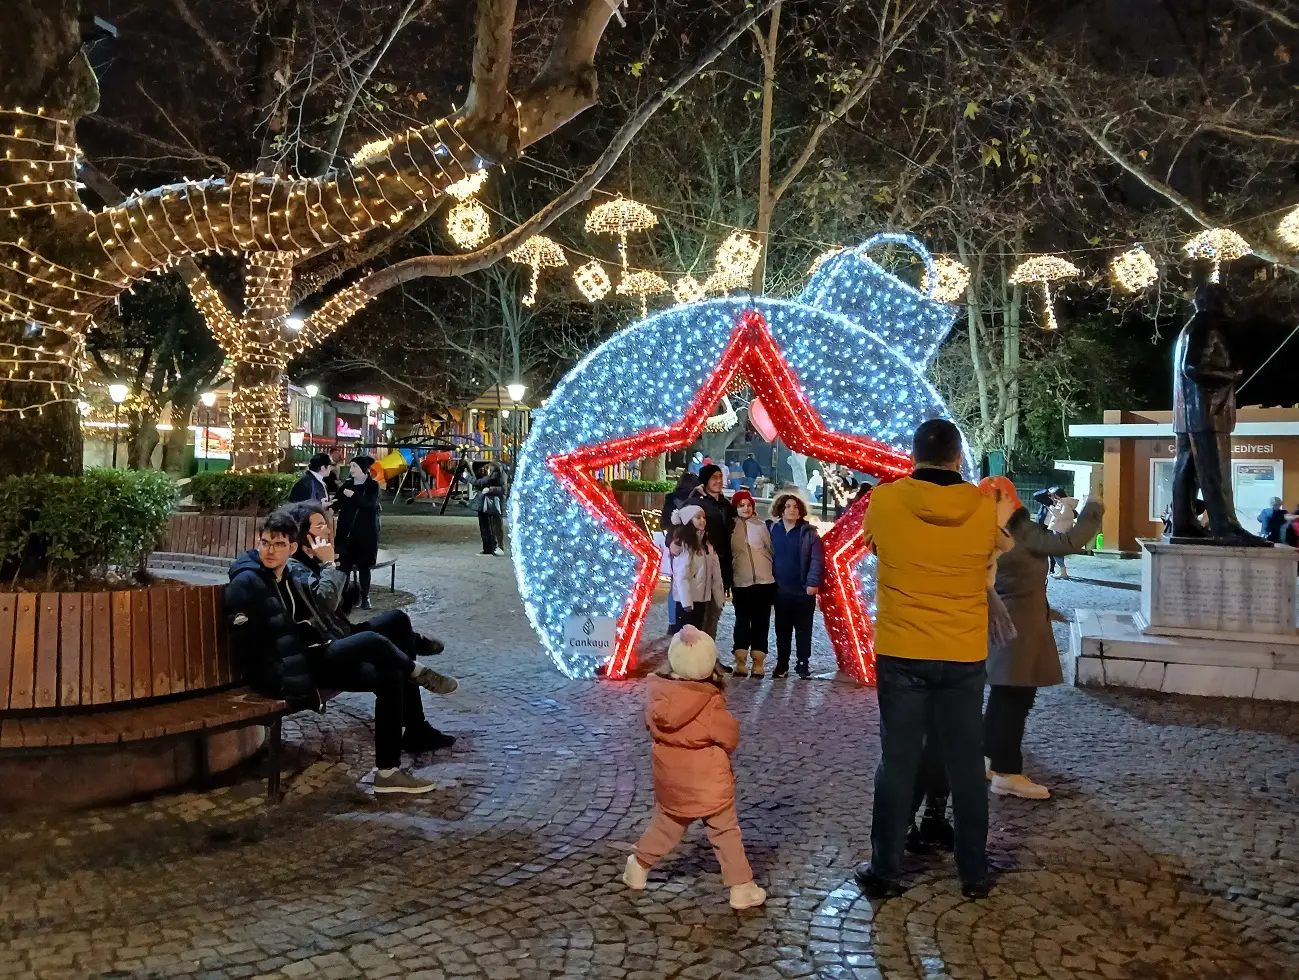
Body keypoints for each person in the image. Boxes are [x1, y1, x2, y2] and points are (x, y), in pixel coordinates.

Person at [855, 418, 1010, 901]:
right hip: (963, 653)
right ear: (958, 458)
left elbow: (872, 544)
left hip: (902, 650)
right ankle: (973, 873)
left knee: (897, 762)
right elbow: (998, 548)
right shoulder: (984, 509)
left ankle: (886, 869)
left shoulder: (885, 500)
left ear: (913, 455)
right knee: (966, 764)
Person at [224, 511, 453, 794]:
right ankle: (417, 671)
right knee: (371, 640)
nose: (270, 551)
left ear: (291, 548)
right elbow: (246, 641)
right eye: (265, 543)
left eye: (279, 544)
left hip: (315, 656)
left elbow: (321, 610)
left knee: (389, 674)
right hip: (286, 670)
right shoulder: (247, 582)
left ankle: (388, 772)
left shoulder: (289, 575)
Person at [287, 502, 455, 754]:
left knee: (396, 620)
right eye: (320, 526)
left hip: (339, 635)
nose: (327, 530)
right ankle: (415, 722)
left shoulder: (312, 561)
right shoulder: (295, 567)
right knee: (393, 663)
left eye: (326, 524)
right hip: (326, 647)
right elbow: (325, 604)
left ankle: (416, 726)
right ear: (303, 534)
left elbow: (338, 607)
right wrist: (330, 566)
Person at [621, 626, 766, 910]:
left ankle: (638, 865)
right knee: (724, 832)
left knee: (667, 824)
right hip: (708, 782)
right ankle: (741, 887)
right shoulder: (709, 704)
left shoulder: (657, 693)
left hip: (671, 778)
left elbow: (650, 726)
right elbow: (729, 736)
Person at [982, 477, 1102, 801]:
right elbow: (1069, 541)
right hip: (1018, 629)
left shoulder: (984, 531)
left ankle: (990, 759)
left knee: (1004, 695)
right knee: (1015, 699)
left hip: (999, 626)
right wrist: (1094, 506)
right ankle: (1007, 772)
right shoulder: (1020, 532)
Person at [768, 493, 824, 680]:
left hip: (802, 591)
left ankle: (802, 663)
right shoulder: (773, 530)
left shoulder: (809, 534)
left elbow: (817, 560)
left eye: (796, 507)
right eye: (788, 506)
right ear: (781, 510)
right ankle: (782, 663)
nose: (792, 510)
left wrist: (812, 583)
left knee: (803, 629)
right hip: (780, 590)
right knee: (781, 629)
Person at [728, 489, 774, 678]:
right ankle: (740, 661)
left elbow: (770, 549)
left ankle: (758, 662)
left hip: (764, 581)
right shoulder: (730, 527)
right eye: (741, 505)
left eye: (748, 505)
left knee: (761, 622)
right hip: (741, 581)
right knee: (741, 622)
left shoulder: (761, 526)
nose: (745, 508)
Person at [668, 506, 725, 636]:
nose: (702, 520)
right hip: (686, 602)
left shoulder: (708, 547)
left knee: (697, 636)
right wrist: (687, 602)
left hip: (701, 600)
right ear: (689, 520)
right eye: (697, 517)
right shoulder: (685, 545)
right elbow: (682, 576)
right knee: (683, 638)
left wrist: (719, 598)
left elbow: (716, 576)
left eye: (703, 517)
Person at [336, 455, 381, 609]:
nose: (351, 469)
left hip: (365, 535)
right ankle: (342, 598)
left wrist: (353, 495)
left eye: (354, 466)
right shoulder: (347, 485)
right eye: (351, 466)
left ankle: (365, 597)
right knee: (344, 568)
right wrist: (329, 505)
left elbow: (369, 503)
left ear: (363, 469)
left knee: (364, 567)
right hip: (346, 534)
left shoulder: (372, 485)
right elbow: (338, 502)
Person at [686, 464, 736, 594]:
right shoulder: (695, 502)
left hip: (722, 565)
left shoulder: (725, 504)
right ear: (706, 480)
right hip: (702, 562)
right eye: (714, 477)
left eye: (720, 477)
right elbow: (678, 525)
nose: (719, 481)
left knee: (716, 609)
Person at [470, 460, 507, 557]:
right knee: (494, 525)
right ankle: (494, 547)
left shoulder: (495, 476)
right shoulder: (497, 475)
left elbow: (502, 489)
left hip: (496, 502)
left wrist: (489, 490)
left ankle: (498, 547)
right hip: (494, 502)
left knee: (496, 525)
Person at [1045, 494, 1078, 579]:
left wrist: (1051, 508)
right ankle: (1062, 571)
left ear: (1057, 495)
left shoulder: (1065, 504)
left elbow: (1060, 516)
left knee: (1056, 551)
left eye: (1053, 495)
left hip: (1060, 530)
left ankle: (1063, 572)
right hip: (1059, 529)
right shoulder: (1063, 503)